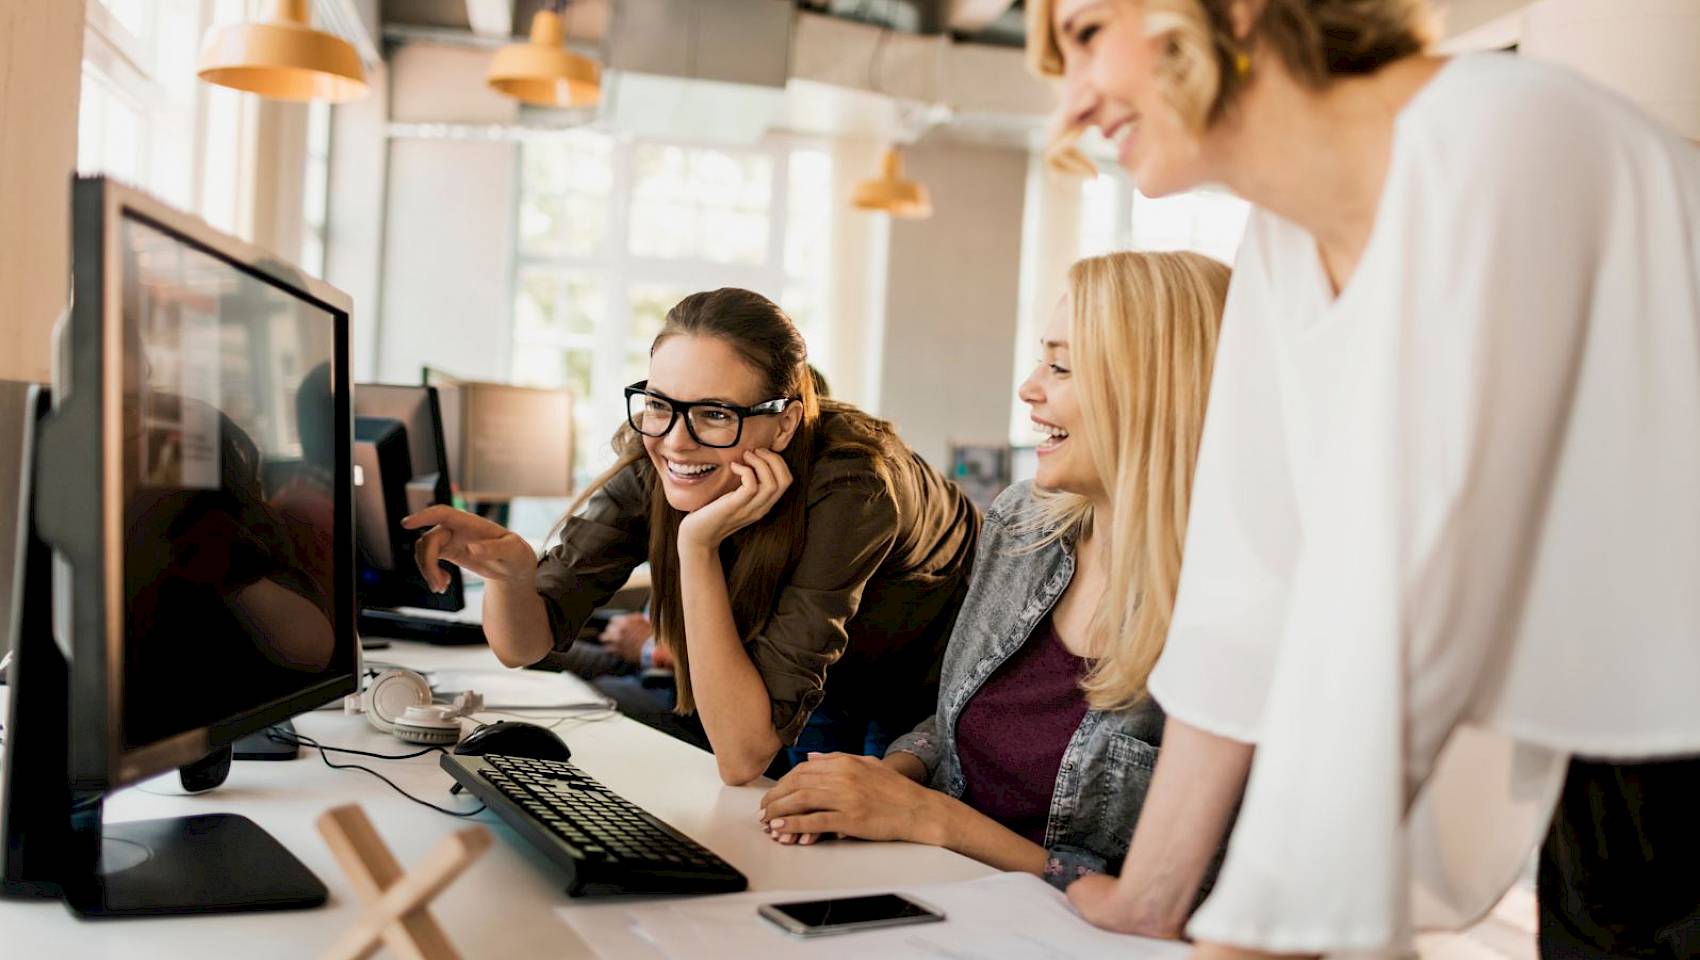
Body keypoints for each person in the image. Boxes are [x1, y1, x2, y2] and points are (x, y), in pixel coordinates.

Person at [1029, 0, 1700, 956]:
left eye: (1088, 32)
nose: (1071, 103)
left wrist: (1263, 929)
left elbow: (1419, 595)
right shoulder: (1284, 240)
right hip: (1616, 756)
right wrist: (1155, 897)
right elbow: (1249, 583)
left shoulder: (1507, 140)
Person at [760, 251, 1231, 892]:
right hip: (944, 895)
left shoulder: (1234, 604)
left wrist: (934, 820)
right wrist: (889, 777)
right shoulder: (1023, 525)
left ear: (1156, 388)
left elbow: (1195, 897)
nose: (1030, 387)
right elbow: (958, 718)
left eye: (1061, 366)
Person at [403, 288, 981, 784]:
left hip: (922, 666)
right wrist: (511, 577)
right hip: (819, 658)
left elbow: (742, 756)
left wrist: (696, 546)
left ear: (784, 421)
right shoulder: (655, 451)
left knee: (849, 833)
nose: (677, 441)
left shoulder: (853, 487)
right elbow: (523, 645)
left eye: (714, 413)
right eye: (660, 404)